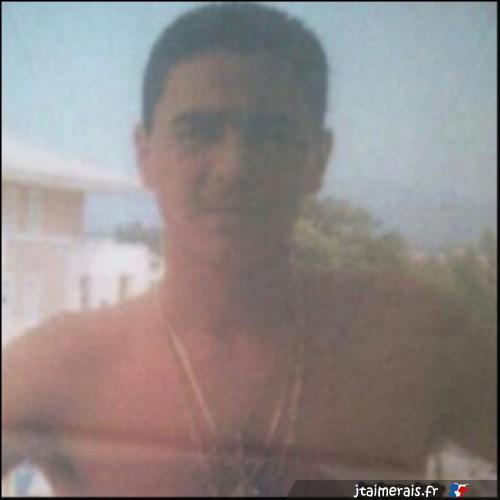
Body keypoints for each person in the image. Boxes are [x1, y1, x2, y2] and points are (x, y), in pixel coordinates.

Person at [2, 3, 496, 497]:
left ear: (319, 159)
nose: (234, 166)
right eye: (198, 131)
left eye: (273, 135)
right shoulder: (61, 365)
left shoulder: (410, 340)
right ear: (144, 153)